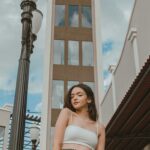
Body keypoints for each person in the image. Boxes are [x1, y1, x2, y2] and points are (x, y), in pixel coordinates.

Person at [53, 83, 105, 150]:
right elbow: (57, 144)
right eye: (72, 97)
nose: (75, 98)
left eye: (79, 95)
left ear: (89, 99)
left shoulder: (100, 128)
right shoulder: (67, 113)